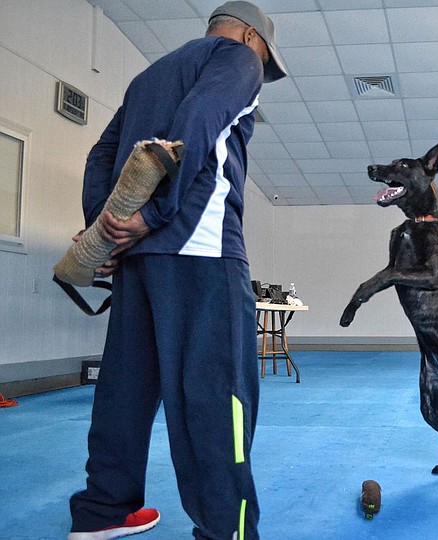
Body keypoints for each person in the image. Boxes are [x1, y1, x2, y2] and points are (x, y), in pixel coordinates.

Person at [67, 3, 287, 540]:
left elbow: (102, 153)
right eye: (265, 55)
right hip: (201, 251)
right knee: (218, 395)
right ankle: (225, 529)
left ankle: (103, 512)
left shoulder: (149, 75)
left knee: (126, 388)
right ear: (250, 35)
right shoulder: (237, 58)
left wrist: (106, 228)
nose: (262, 67)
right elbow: (200, 121)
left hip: (138, 260)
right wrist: (155, 214)